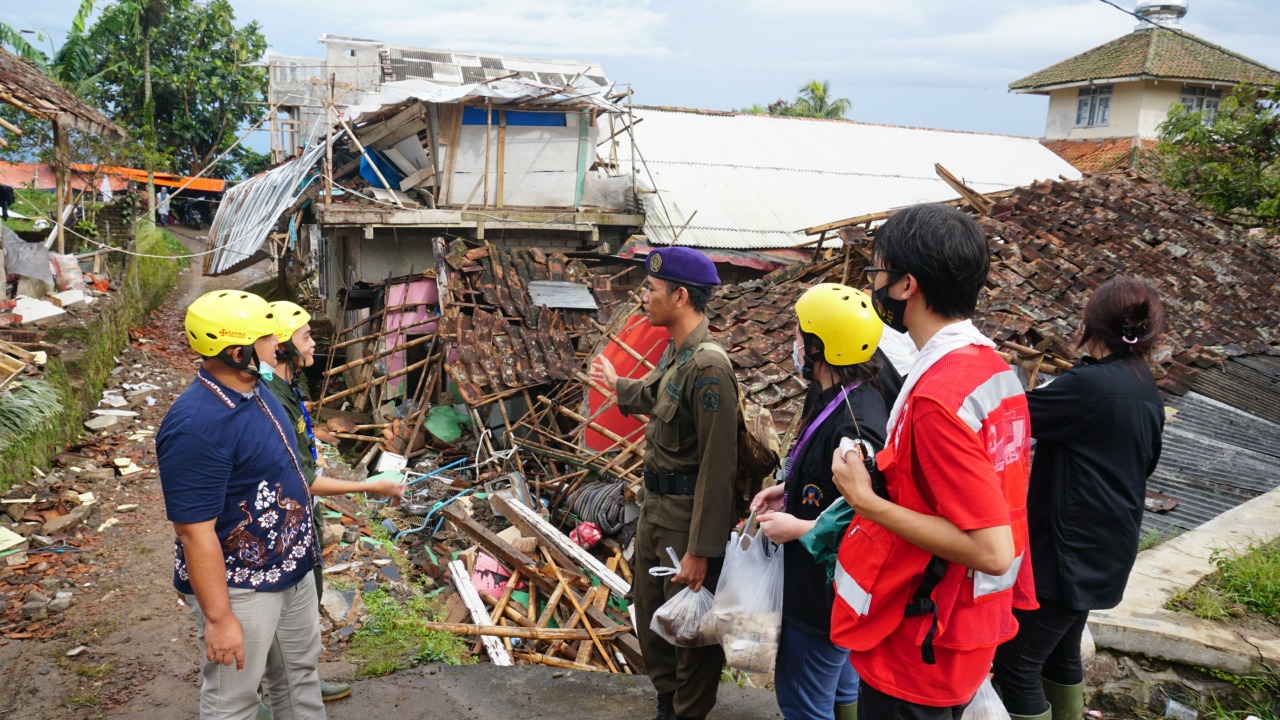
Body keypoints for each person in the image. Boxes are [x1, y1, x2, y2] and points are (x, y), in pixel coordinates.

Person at [829, 203, 1036, 719]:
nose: (872, 284)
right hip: (966, 626)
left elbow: (990, 549)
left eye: (876, 271)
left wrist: (867, 502)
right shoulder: (993, 370)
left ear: (905, 286)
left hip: (922, 640)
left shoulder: (938, 396)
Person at [992, 277, 1165, 720]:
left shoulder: (1086, 388)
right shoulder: (1145, 386)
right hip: (1108, 548)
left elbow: (1006, 417)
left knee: (1016, 665)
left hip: (1066, 555)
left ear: (1090, 324)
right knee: (1061, 653)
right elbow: (1146, 465)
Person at [156, 290, 326, 720]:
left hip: (291, 567)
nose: (279, 346)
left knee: (298, 676)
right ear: (237, 352)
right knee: (234, 700)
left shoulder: (259, 386)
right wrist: (219, 619)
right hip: (242, 586)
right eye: (269, 339)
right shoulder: (197, 425)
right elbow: (194, 532)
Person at [588, 247, 738, 720]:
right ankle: (667, 705)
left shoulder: (710, 367)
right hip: (656, 512)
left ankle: (687, 712)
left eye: (651, 290)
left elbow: (719, 468)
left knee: (691, 634)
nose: (644, 297)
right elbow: (656, 394)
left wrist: (702, 549)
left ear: (679, 295)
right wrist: (618, 385)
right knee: (652, 620)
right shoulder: (678, 352)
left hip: (686, 523)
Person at [255, 301, 407, 708]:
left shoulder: (288, 387)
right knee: (268, 614)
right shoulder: (269, 397)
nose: (315, 343)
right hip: (280, 521)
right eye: (305, 336)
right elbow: (299, 477)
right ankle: (253, 700)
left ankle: (298, 677)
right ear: (282, 346)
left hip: (302, 519)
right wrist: (367, 487)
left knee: (303, 607)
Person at [750, 283, 888, 720]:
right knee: (843, 686)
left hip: (822, 596)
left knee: (805, 703)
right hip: (828, 596)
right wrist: (786, 493)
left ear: (817, 346)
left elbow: (873, 515)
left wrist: (801, 529)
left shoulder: (859, 425)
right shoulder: (833, 393)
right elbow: (828, 491)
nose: (793, 343)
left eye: (798, 335)